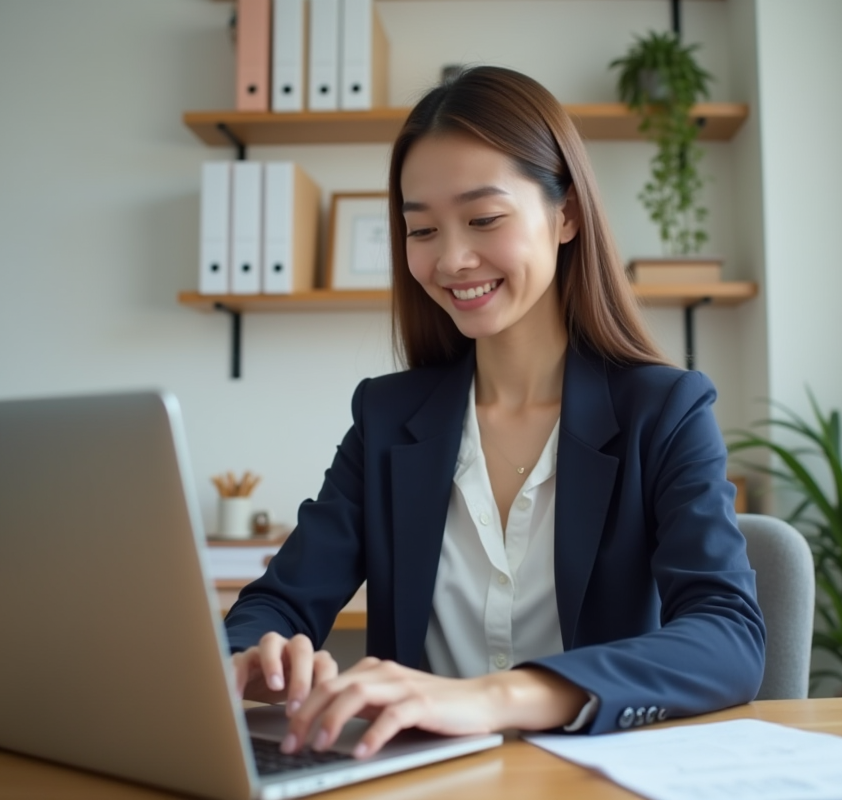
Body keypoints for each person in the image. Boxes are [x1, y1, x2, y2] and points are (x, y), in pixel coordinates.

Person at [223, 66, 765, 759]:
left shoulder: (664, 410)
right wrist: (258, 655)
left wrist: (493, 696)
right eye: (421, 230)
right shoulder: (387, 418)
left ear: (565, 214)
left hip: (592, 777)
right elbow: (280, 601)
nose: (451, 258)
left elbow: (728, 635)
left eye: (483, 219)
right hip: (420, 779)